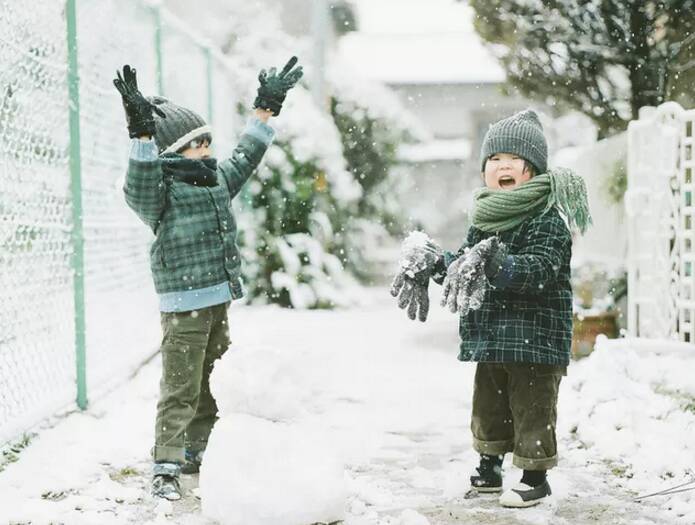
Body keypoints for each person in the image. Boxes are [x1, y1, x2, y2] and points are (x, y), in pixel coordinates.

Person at [113, 57, 303, 500]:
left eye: (206, 140)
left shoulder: (215, 179)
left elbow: (245, 156)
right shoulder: (159, 192)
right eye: (194, 144)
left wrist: (264, 111)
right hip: (183, 305)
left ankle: (200, 449)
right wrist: (141, 135)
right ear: (170, 152)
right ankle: (166, 463)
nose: (205, 150)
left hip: (218, 299)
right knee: (180, 385)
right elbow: (138, 184)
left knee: (213, 378)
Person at [391, 109, 591, 507]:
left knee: (533, 407)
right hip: (492, 334)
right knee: (489, 404)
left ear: (532, 170)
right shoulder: (484, 220)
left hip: (535, 338)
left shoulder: (547, 219)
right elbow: (467, 263)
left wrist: (501, 264)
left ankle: (535, 475)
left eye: (513, 160)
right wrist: (435, 263)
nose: (502, 166)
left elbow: (540, 270)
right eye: (494, 160)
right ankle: (489, 465)